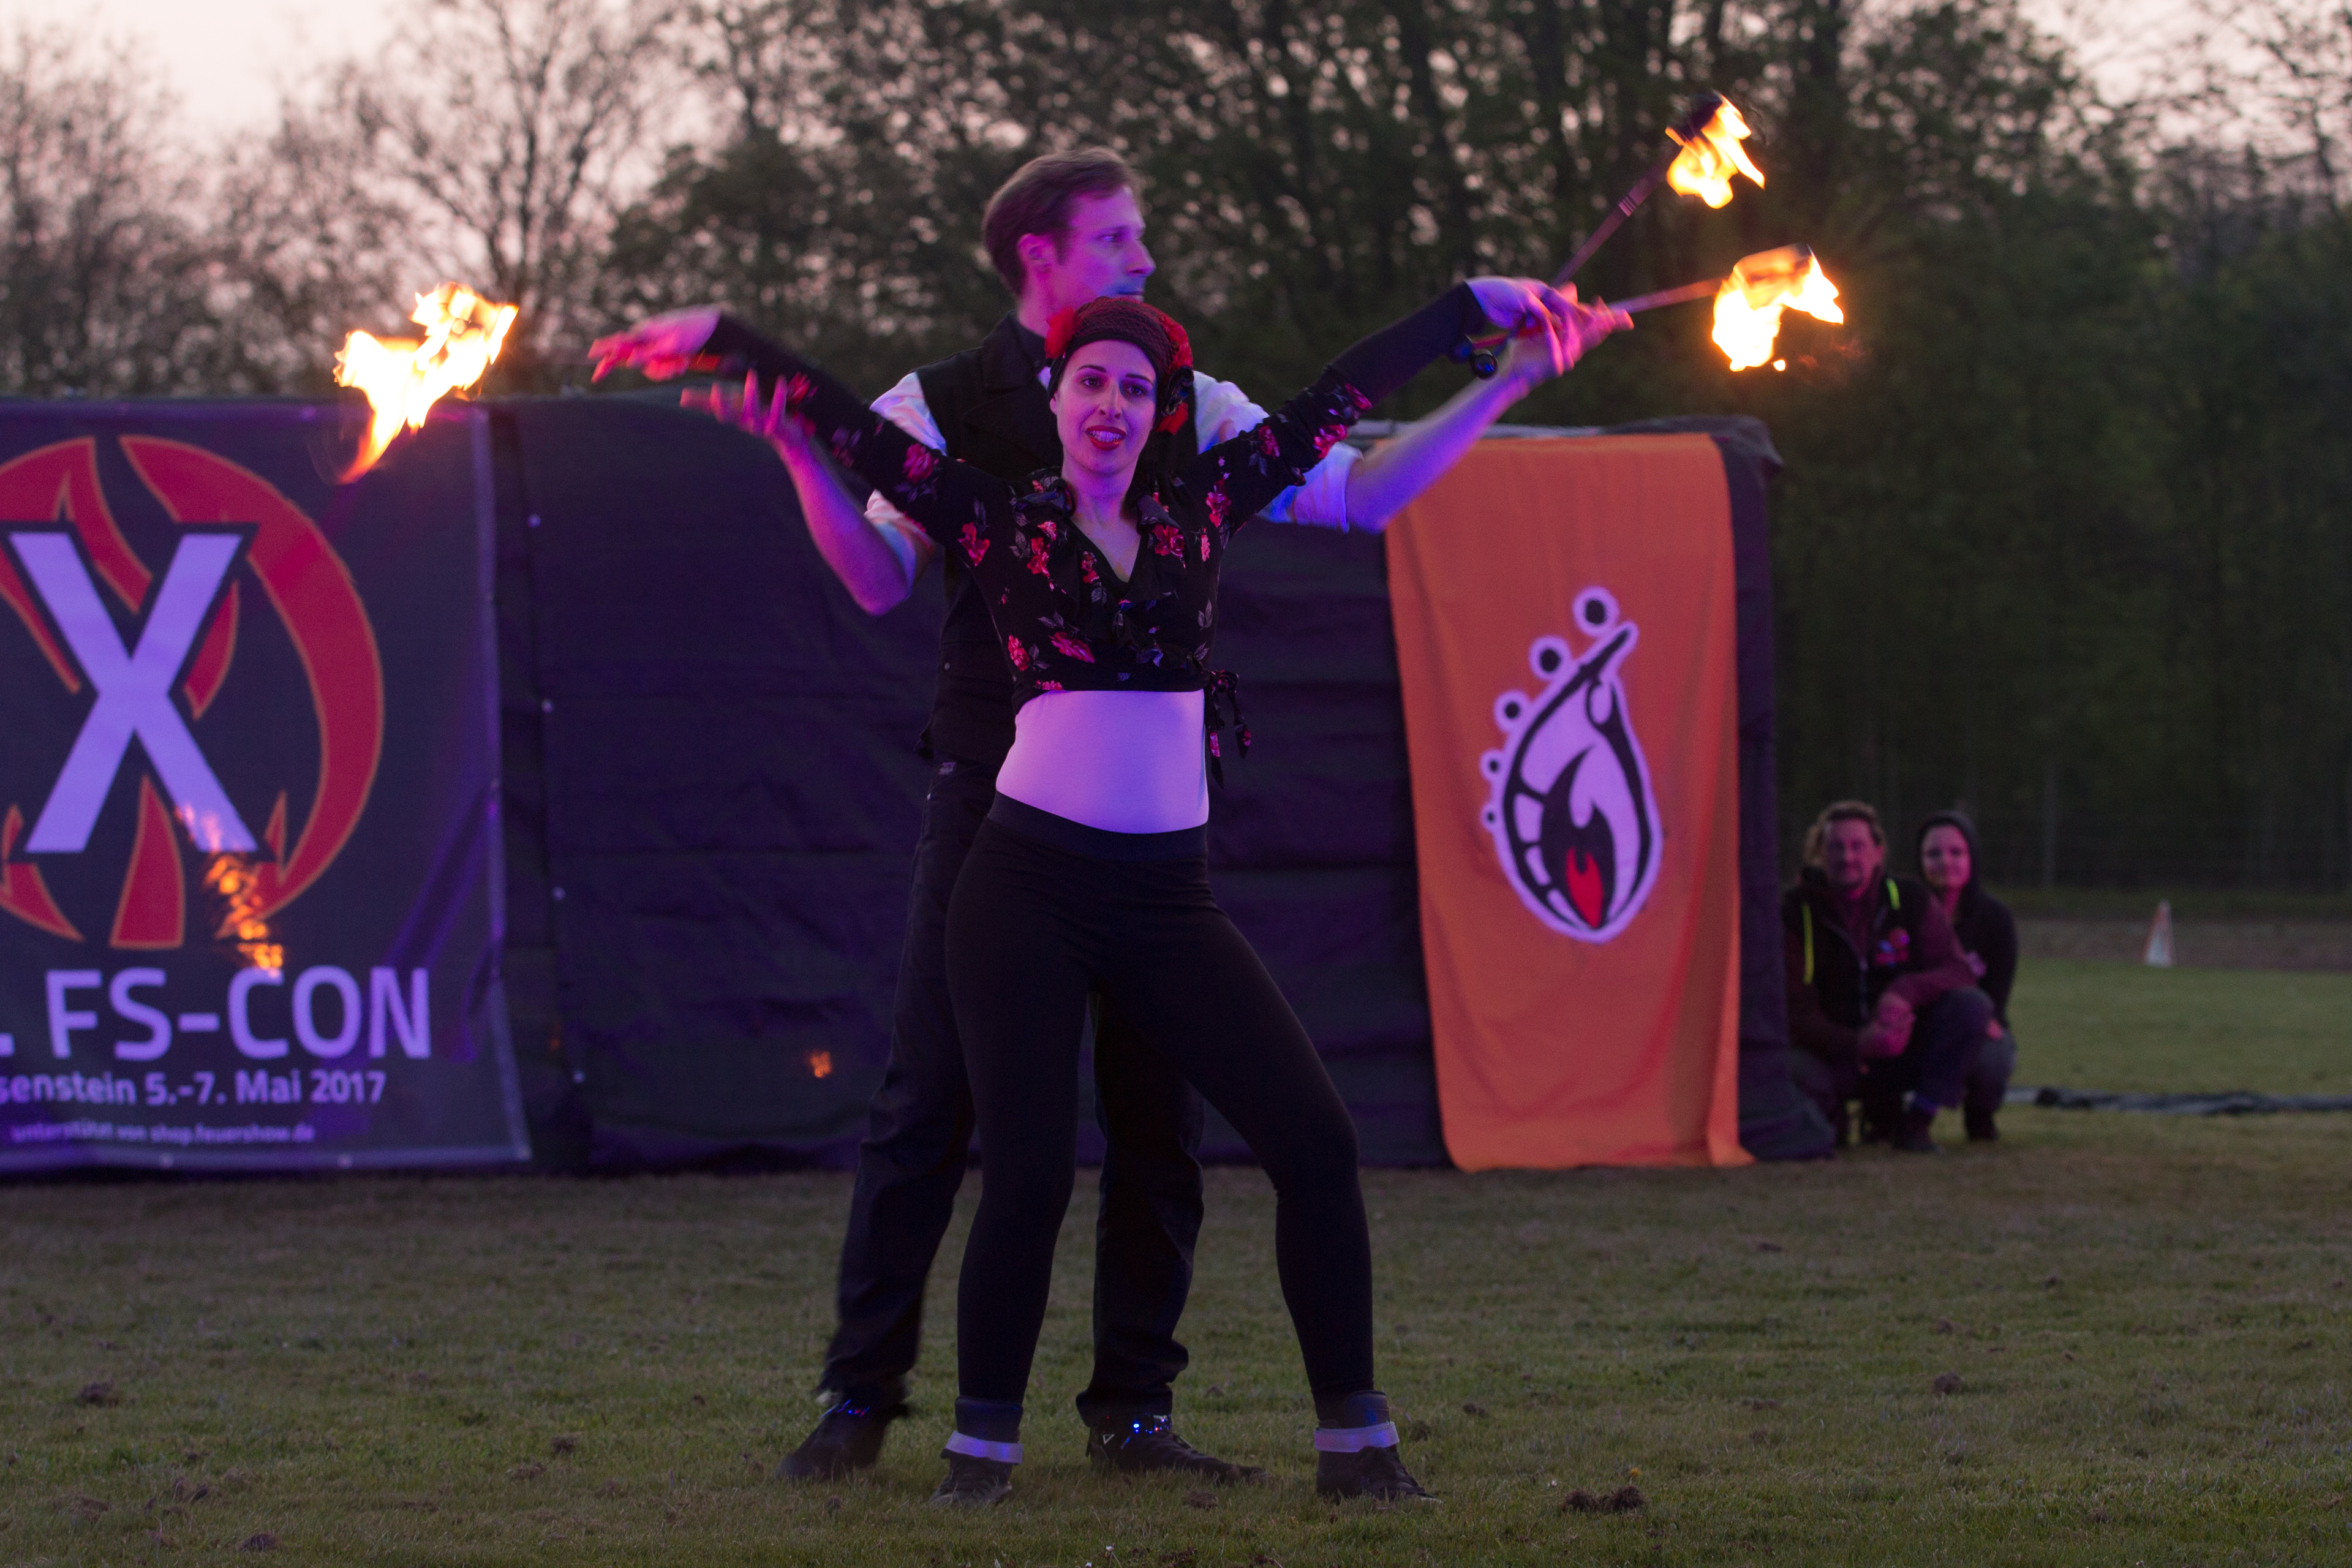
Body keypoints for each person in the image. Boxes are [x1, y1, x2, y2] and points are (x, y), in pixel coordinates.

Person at [592, 148, 1609, 1491]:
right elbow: (853, 446)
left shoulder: (1200, 488)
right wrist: (731, 341)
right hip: (1009, 842)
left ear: (1161, 404)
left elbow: (1342, 415)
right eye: (1119, 244)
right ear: (1049, 351)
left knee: (1225, 1132)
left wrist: (1485, 331)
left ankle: (1242, 1429)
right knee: (975, 1138)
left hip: (1163, 879)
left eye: (1137, 388)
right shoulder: (987, 493)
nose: (1117, 393)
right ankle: (911, 1417)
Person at [1781, 801, 1995, 1152]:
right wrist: (1858, 1043)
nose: (1847, 857)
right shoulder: (1795, 911)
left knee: (1972, 1007)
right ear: (1818, 854)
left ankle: (1918, 1123)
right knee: (1792, 1070)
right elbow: (1794, 1011)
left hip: (1903, 1046)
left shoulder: (1909, 899)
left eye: (1858, 846)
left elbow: (1959, 971)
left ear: (1878, 852)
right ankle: (1833, 1120)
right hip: (1833, 1054)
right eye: (1835, 847)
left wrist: (1905, 993)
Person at [1917, 810, 2018, 1140]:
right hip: (1916, 1023)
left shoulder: (1996, 920)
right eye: (1934, 853)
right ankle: (1884, 1113)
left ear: (1972, 857)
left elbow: (1998, 994)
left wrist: (1984, 1016)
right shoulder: (1906, 913)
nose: (1945, 862)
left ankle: (1980, 1112)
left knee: (1995, 1051)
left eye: (1956, 852)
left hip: (1975, 1023)